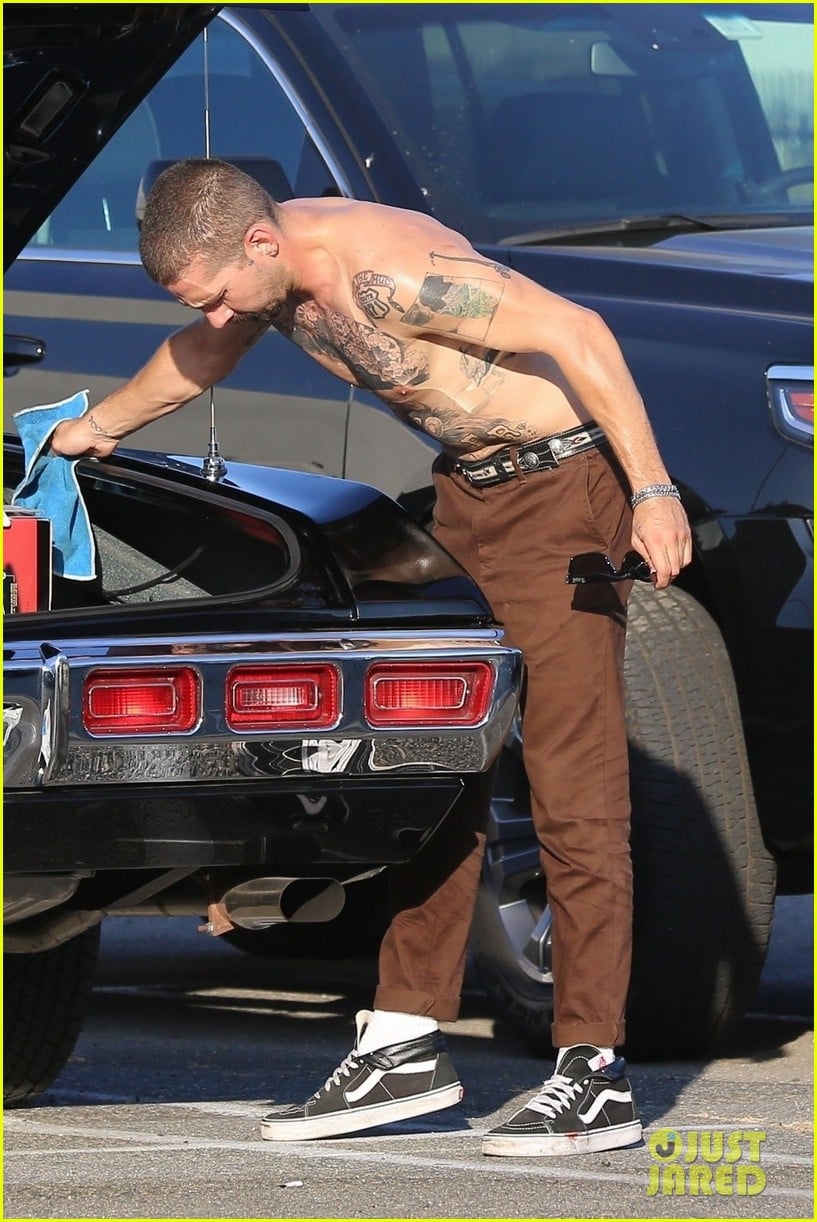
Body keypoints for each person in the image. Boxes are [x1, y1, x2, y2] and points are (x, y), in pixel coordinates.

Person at [52, 158, 692, 1157]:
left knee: (575, 787)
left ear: (260, 243)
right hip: (469, 494)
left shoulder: (390, 271)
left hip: (562, 491)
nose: (217, 314)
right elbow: (199, 352)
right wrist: (91, 431)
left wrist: (651, 492)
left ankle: (593, 1070)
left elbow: (579, 333)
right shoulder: (261, 282)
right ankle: (402, 1044)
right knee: (433, 762)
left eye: (218, 291)